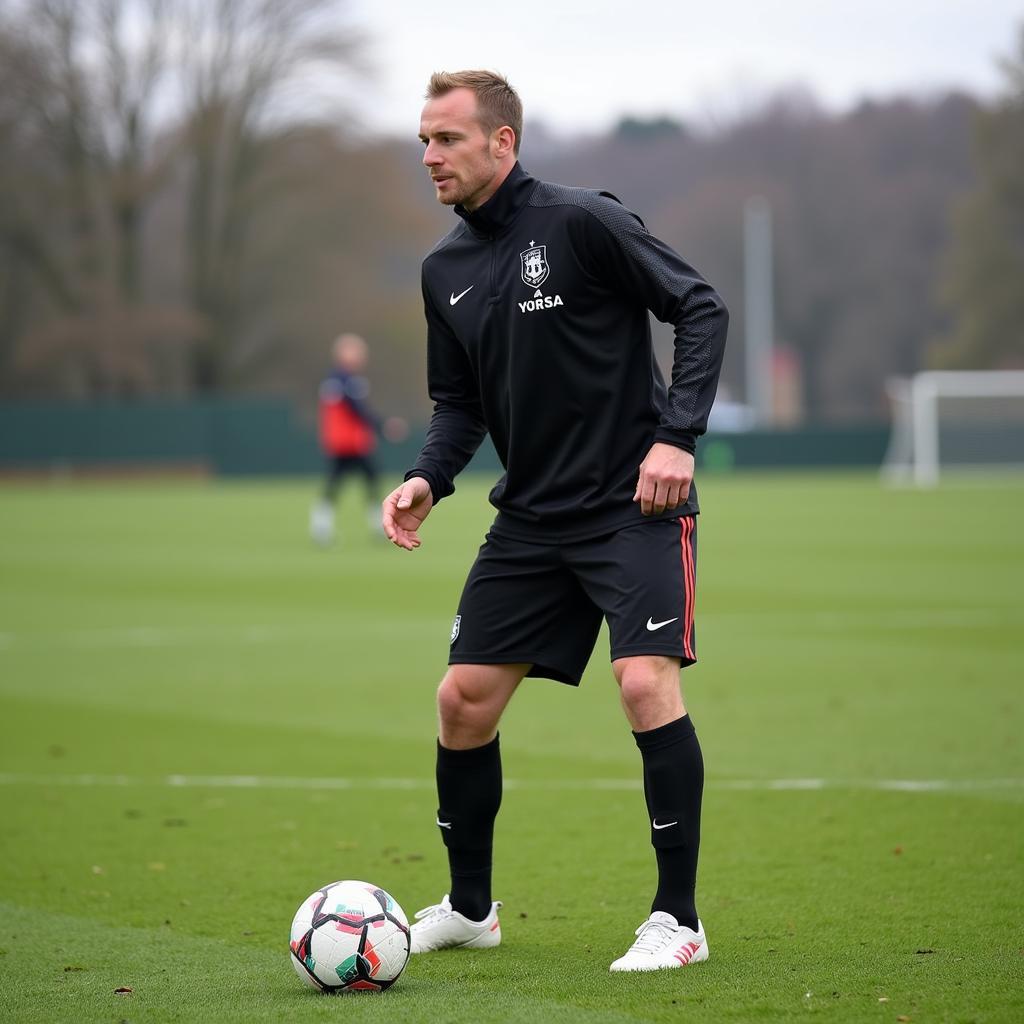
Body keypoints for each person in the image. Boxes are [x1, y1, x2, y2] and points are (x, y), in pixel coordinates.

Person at [381, 70, 728, 973]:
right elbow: (457, 404)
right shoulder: (443, 269)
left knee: (645, 686)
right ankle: (468, 907)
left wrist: (677, 438)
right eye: (423, 139)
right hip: (532, 516)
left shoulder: (582, 222)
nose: (429, 156)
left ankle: (679, 921)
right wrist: (428, 478)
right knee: (461, 702)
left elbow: (699, 306)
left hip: (632, 504)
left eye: (447, 139)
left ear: (503, 143)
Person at [310, 333, 404, 544]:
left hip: (342, 442)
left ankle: (322, 526)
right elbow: (359, 410)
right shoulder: (345, 380)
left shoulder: (335, 379)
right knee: (367, 481)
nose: (361, 357)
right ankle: (379, 527)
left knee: (342, 483)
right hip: (350, 442)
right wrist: (384, 426)